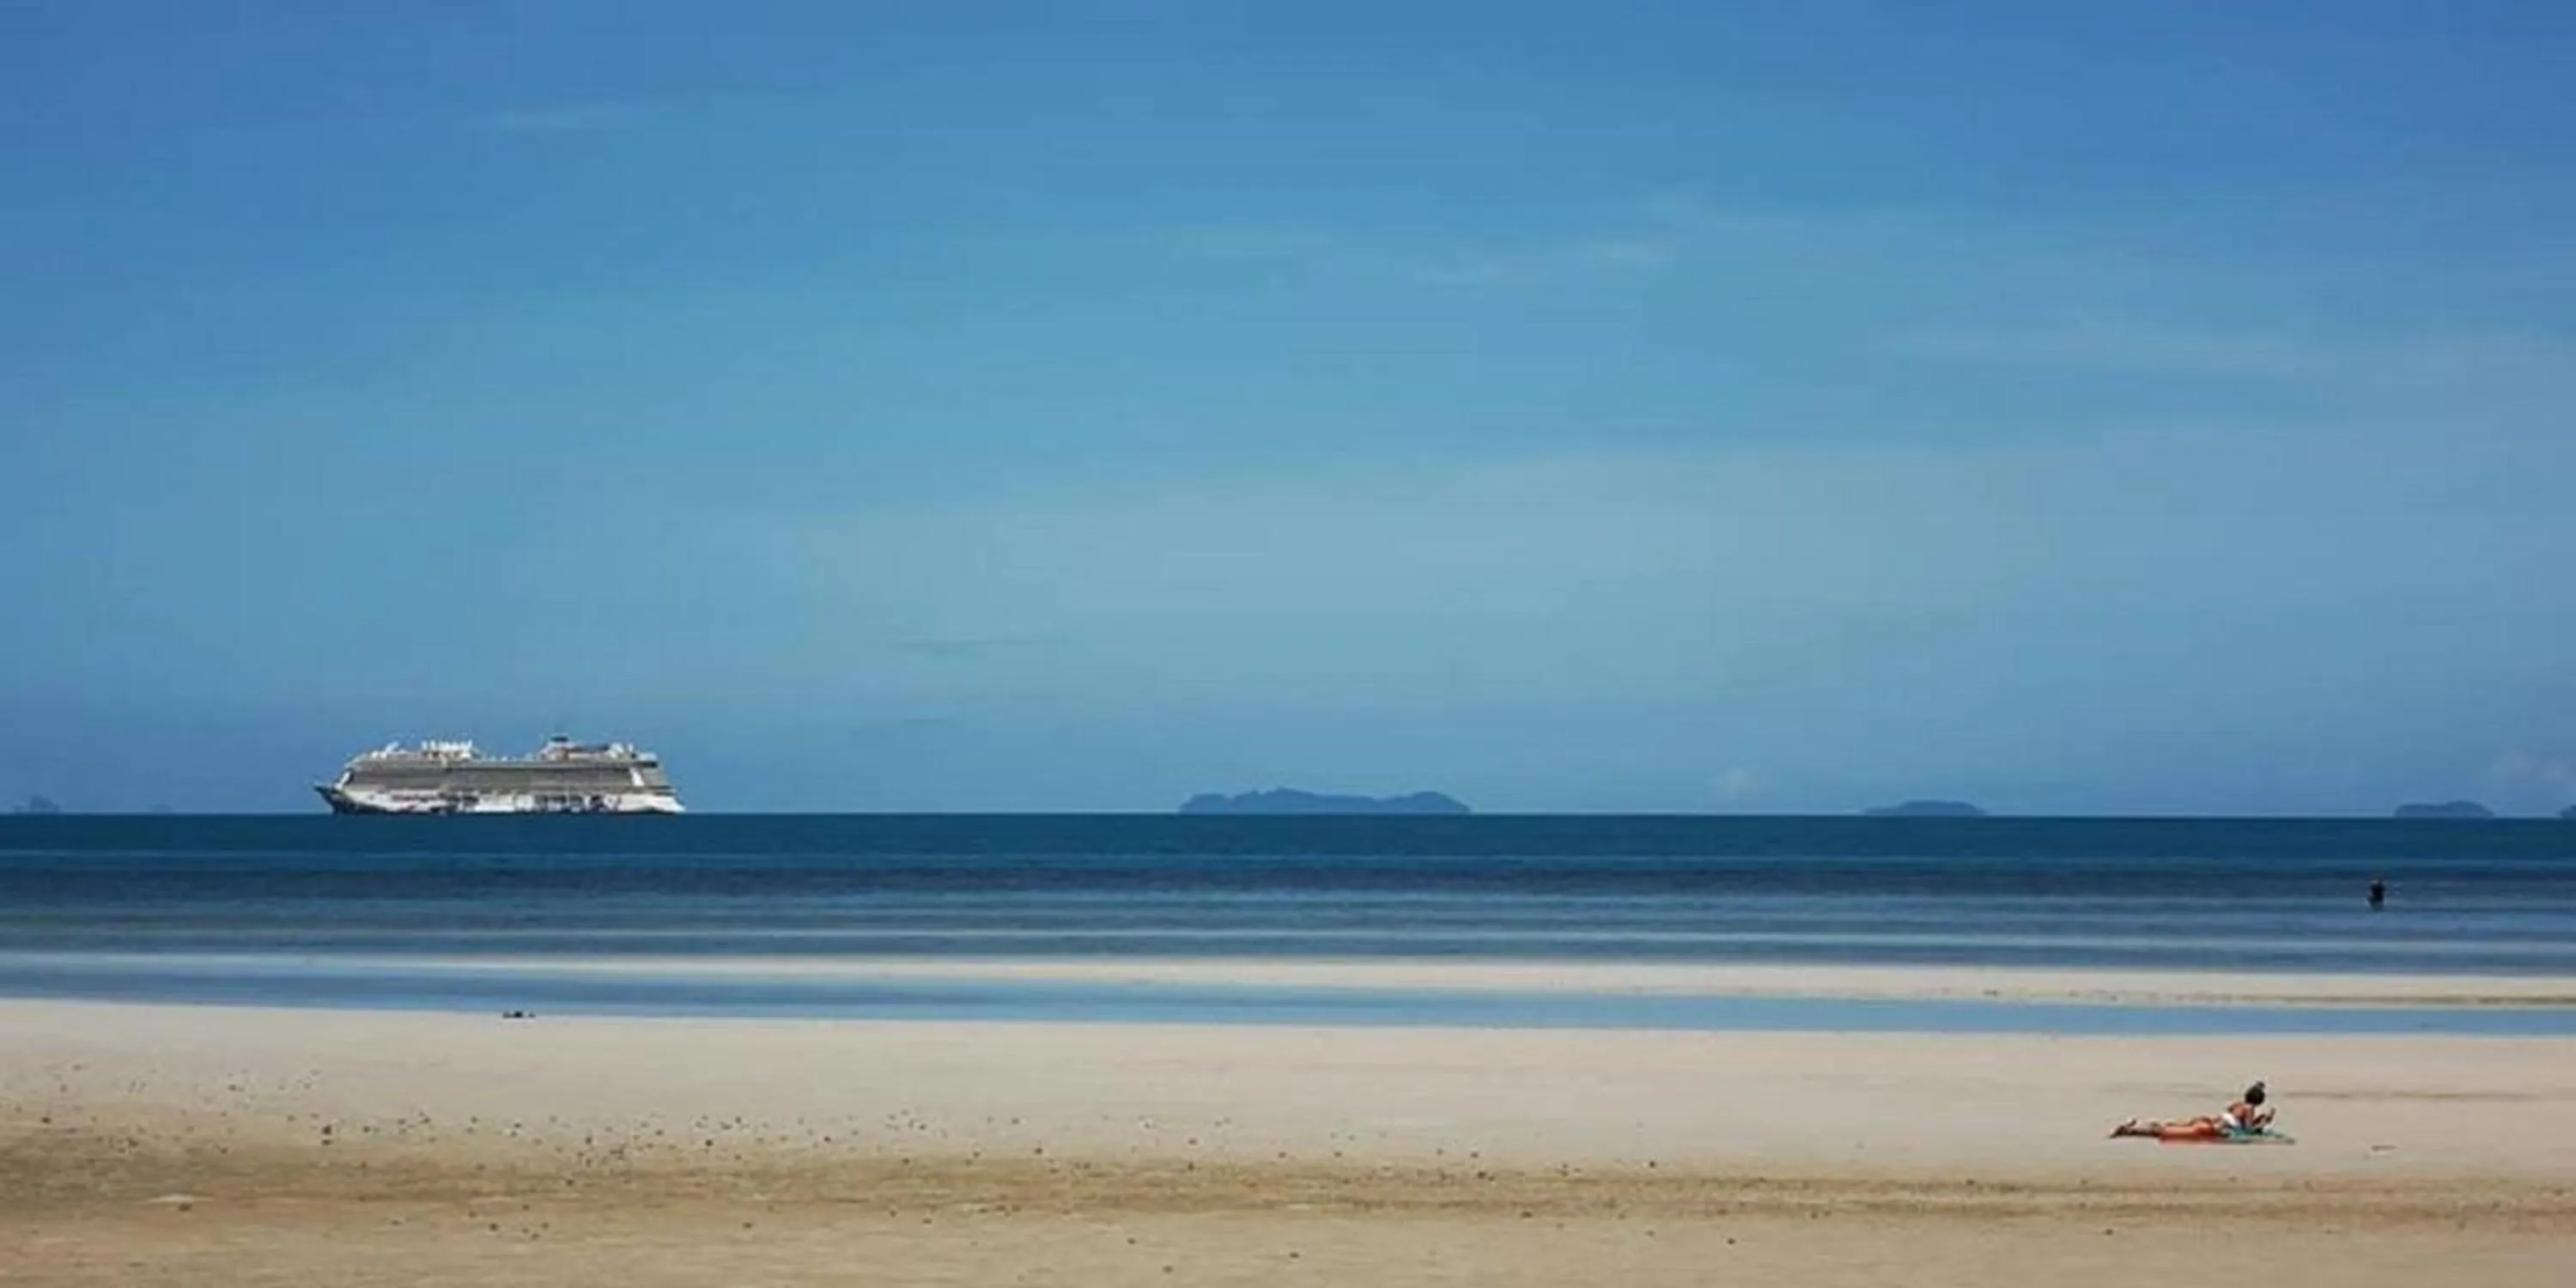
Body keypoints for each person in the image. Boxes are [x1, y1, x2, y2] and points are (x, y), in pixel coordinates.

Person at [2111, 1081, 2274, 1141]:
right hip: (2213, 1128)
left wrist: (2260, 1119)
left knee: (2167, 1126)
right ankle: (2130, 1130)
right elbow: (2247, 1130)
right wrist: (2265, 1122)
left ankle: (2136, 1125)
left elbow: (2234, 1118)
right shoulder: (2250, 1108)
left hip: (2208, 1120)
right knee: (2165, 1132)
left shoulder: (2238, 1104)